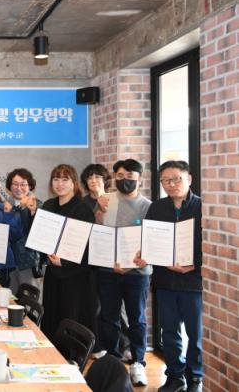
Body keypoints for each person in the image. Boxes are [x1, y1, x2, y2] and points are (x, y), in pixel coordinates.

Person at [134, 161, 203, 392]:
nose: (171, 184)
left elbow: (209, 244)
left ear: (189, 179)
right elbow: (150, 240)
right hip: (165, 281)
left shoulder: (202, 207)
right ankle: (175, 376)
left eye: (176, 179)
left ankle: (195, 378)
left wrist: (194, 265)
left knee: (195, 333)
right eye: (166, 181)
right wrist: (144, 255)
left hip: (193, 282)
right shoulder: (157, 207)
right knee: (169, 332)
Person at [95, 159, 151, 386]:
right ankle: (113, 361)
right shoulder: (105, 200)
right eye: (120, 176)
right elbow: (98, 230)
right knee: (108, 316)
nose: (124, 180)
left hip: (137, 273)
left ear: (139, 178)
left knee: (137, 318)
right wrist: (99, 211)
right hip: (107, 270)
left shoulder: (148, 206)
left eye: (130, 176)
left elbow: (152, 240)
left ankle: (138, 362)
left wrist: (134, 263)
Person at [35, 164, 97, 339]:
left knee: (71, 317)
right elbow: (41, 235)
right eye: (56, 179)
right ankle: (52, 352)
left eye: (65, 179)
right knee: (52, 317)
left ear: (74, 183)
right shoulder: (49, 205)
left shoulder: (83, 209)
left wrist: (64, 262)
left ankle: (71, 354)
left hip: (75, 276)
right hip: (53, 273)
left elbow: (87, 246)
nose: (59, 184)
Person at [5, 168, 42, 295]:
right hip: (8, 262)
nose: (19, 188)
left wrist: (31, 211)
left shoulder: (38, 205)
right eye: (15, 184)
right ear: (9, 186)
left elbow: (38, 232)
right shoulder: (5, 205)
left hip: (27, 262)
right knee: (9, 300)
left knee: (28, 300)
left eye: (23, 184)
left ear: (30, 186)